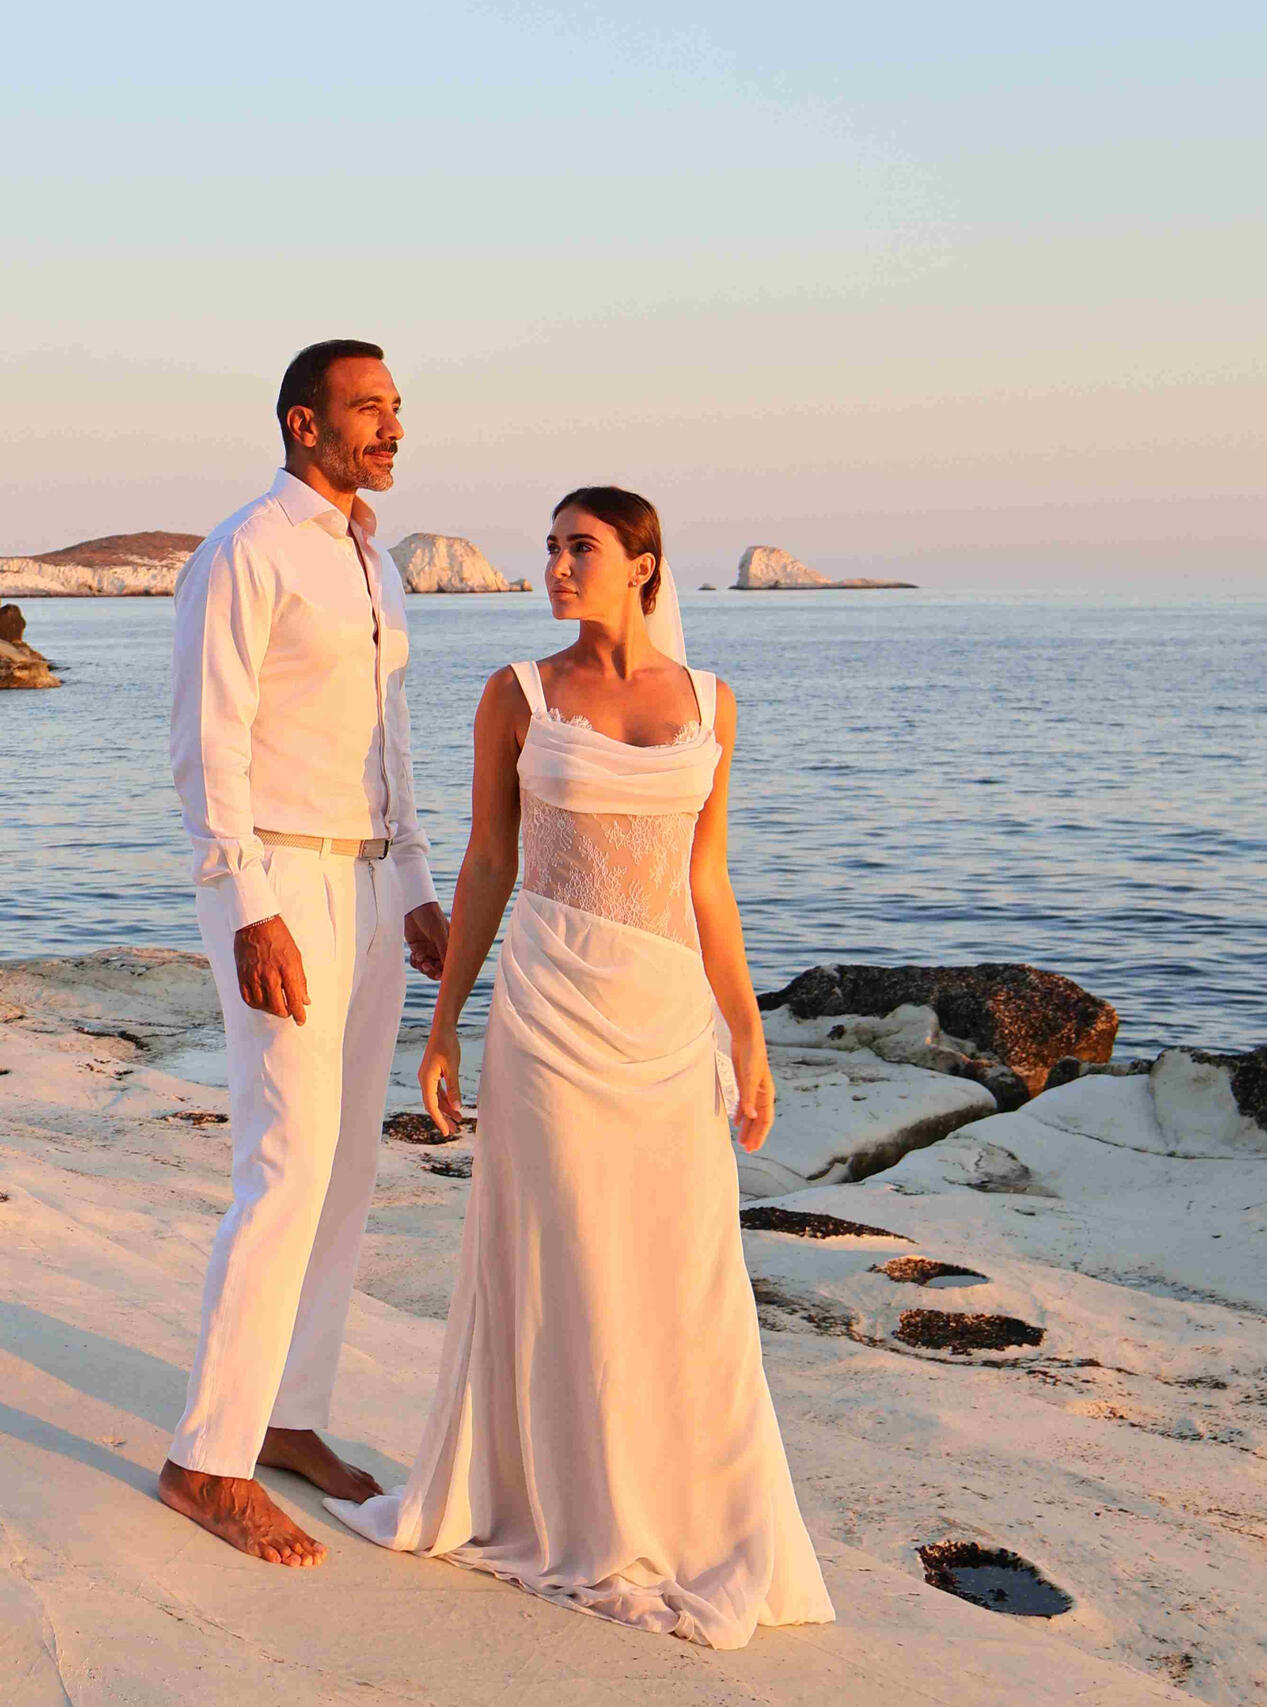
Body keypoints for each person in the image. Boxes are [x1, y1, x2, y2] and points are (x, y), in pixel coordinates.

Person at [327, 486, 835, 1646]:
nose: (556, 564)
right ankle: (560, 1503)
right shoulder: (516, 693)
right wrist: (443, 1019)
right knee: (562, 1254)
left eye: (581, 547)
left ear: (643, 566)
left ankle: (673, 1512)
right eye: (551, 546)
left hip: (663, 1024)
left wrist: (747, 1040)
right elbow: (490, 858)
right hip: (548, 1007)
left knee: (677, 1271)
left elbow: (708, 884)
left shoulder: (711, 702)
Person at [161, 340, 448, 1567]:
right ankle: (205, 1458)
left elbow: (390, 742)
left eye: (396, 407)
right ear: (304, 424)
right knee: (283, 1168)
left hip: (375, 883)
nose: (391, 425)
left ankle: (289, 1416)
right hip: (281, 880)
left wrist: (424, 885)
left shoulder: (370, 557)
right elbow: (205, 744)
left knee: (342, 1173)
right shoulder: (248, 549)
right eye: (367, 408)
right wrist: (245, 911)